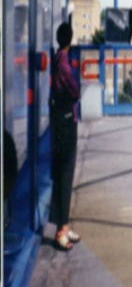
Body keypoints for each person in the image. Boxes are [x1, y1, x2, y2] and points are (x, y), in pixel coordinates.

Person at [50, 22, 81, 250]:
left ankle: (65, 226)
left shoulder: (57, 57)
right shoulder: (62, 61)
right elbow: (75, 90)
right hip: (65, 123)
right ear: (70, 39)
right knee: (64, 173)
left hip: (62, 120)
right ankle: (61, 230)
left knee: (65, 173)